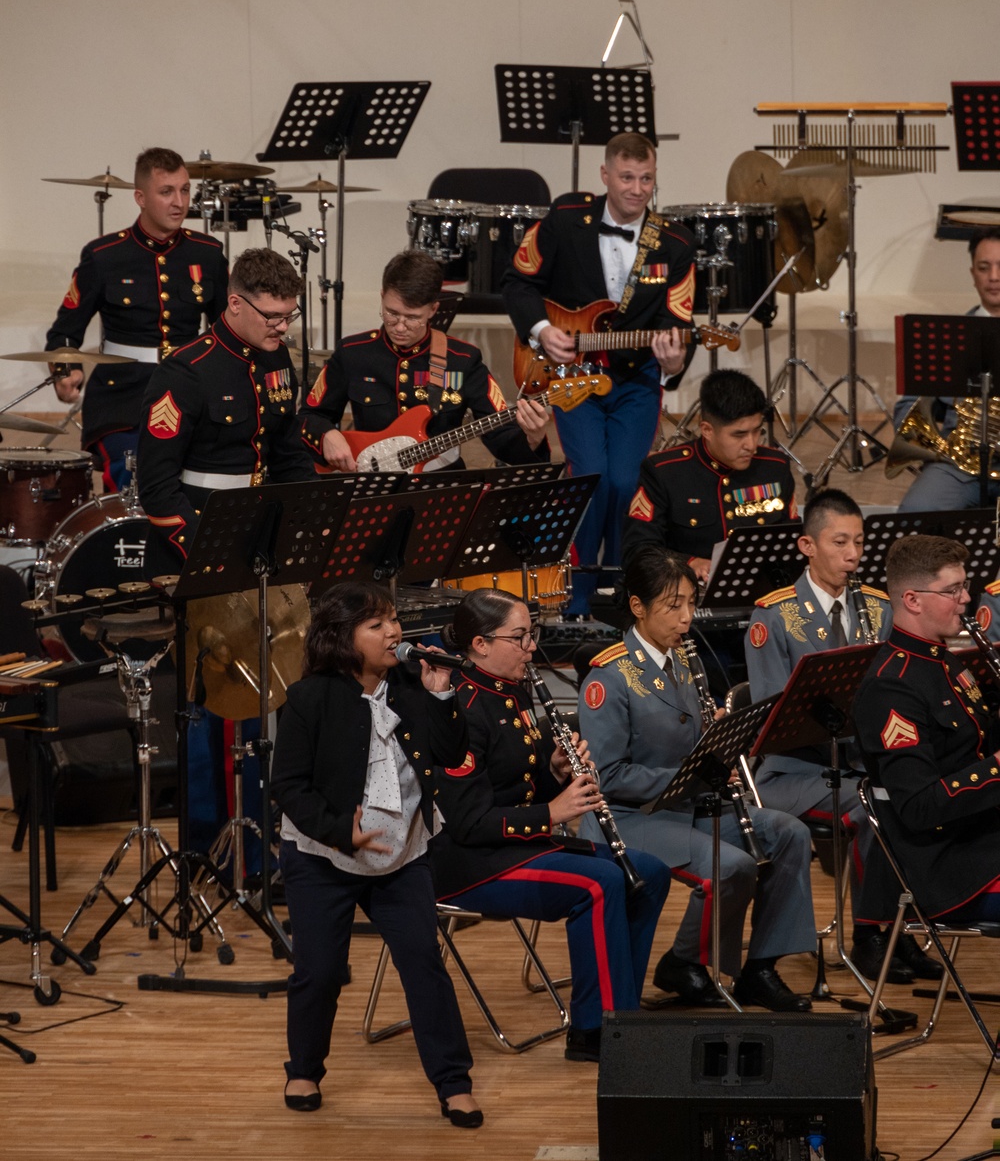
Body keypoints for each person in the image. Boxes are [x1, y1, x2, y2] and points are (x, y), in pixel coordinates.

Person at [270, 581, 482, 1126]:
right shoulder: (309, 699)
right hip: (323, 858)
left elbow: (452, 754)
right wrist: (342, 830)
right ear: (343, 638)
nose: (394, 632)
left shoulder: (412, 684)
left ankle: (454, 1082)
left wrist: (441, 695)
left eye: (393, 620)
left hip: (403, 856)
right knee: (318, 971)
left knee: (423, 963)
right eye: (377, 624)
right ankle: (304, 1070)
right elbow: (289, 788)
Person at [430, 588, 671, 1062]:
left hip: (517, 846)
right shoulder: (459, 707)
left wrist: (553, 772)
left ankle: (621, 1012)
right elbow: (468, 821)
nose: (531, 648)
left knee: (651, 874)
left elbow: (517, 784)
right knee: (600, 884)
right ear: (479, 644)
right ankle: (594, 1033)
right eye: (519, 638)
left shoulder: (511, 688)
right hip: (471, 863)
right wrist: (554, 812)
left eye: (531, 635)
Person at [579, 546, 816, 1011]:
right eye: (674, 606)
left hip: (689, 805)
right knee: (733, 865)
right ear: (637, 608)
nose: (687, 617)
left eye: (691, 602)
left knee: (791, 833)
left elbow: (697, 740)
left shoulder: (685, 658)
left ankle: (760, 967)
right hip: (633, 817)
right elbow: (607, 778)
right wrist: (691, 774)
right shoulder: (608, 677)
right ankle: (685, 961)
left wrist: (722, 741)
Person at [744, 489, 940, 983]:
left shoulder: (877, 606)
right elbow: (774, 721)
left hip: (859, 763)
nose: (853, 554)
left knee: (919, 798)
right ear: (807, 546)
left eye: (859, 541)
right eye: (839, 543)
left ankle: (901, 934)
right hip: (794, 771)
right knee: (874, 809)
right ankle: (870, 937)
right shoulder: (772, 616)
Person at [501, 131, 698, 616]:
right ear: (605, 175)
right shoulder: (566, 221)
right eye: (627, 177)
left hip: (635, 382)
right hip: (571, 380)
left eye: (646, 178)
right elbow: (518, 283)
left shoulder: (674, 243)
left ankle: (617, 594)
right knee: (590, 477)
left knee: (626, 481)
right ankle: (575, 599)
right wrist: (544, 331)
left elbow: (678, 322)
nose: (637, 188)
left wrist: (674, 364)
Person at [46, 147, 228, 491]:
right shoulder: (104, 256)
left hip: (189, 389)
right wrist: (65, 370)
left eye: (185, 190)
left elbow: (227, 331)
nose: (179, 202)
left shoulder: (207, 253)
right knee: (135, 475)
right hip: (122, 397)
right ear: (140, 198)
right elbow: (64, 333)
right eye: (166, 192)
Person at [138, 246, 315, 576]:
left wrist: (313, 520)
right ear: (235, 303)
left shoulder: (277, 358)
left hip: (262, 529)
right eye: (272, 317)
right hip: (199, 532)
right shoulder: (185, 372)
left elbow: (289, 454)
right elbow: (156, 488)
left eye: (289, 315)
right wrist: (204, 550)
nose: (282, 327)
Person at [854, 534, 1000, 926]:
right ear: (912, 600)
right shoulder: (892, 686)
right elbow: (919, 808)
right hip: (948, 865)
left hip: (983, 833)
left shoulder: (944, 661)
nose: (966, 599)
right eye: (952, 590)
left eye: (964, 586)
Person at [302, 250, 549, 471]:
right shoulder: (353, 352)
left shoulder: (462, 360)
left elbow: (500, 435)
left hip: (439, 484)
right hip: (370, 482)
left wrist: (533, 438)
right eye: (391, 313)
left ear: (433, 309)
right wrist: (327, 434)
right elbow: (309, 416)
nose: (399, 326)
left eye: (412, 318)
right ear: (382, 296)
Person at [621, 369, 798, 584]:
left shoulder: (775, 467)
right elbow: (638, 550)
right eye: (739, 434)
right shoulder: (664, 472)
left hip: (762, 593)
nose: (751, 445)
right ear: (707, 430)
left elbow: (793, 540)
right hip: (687, 597)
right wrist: (688, 563)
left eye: (757, 431)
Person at [895, 227, 1000, 512]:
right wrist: (933, 448)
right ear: (972, 274)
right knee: (915, 513)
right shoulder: (946, 337)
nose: (993, 276)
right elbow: (909, 406)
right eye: (984, 267)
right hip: (958, 465)